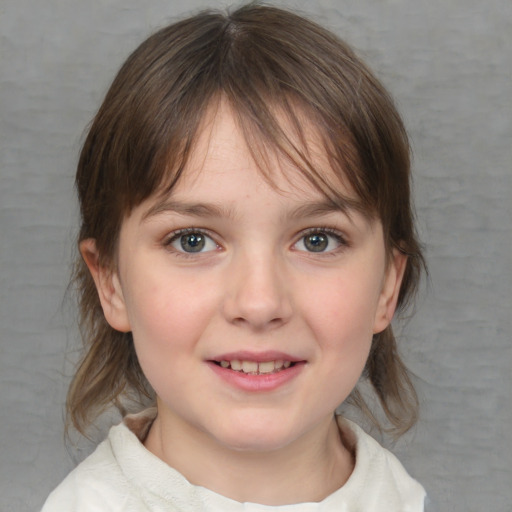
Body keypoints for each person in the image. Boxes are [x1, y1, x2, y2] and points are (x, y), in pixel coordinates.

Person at [42, 4, 427, 510]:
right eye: (193, 241)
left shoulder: (402, 498)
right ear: (110, 282)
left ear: (386, 286)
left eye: (317, 240)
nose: (260, 302)